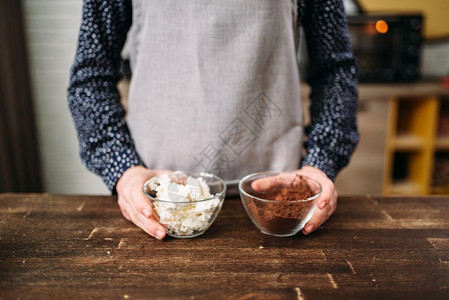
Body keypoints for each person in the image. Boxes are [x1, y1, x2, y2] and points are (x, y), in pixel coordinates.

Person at [68, 0, 359, 240]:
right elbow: (91, 76)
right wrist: (123, 169)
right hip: (157, 209)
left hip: (278, 213)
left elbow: (335, 69)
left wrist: (320, 164)